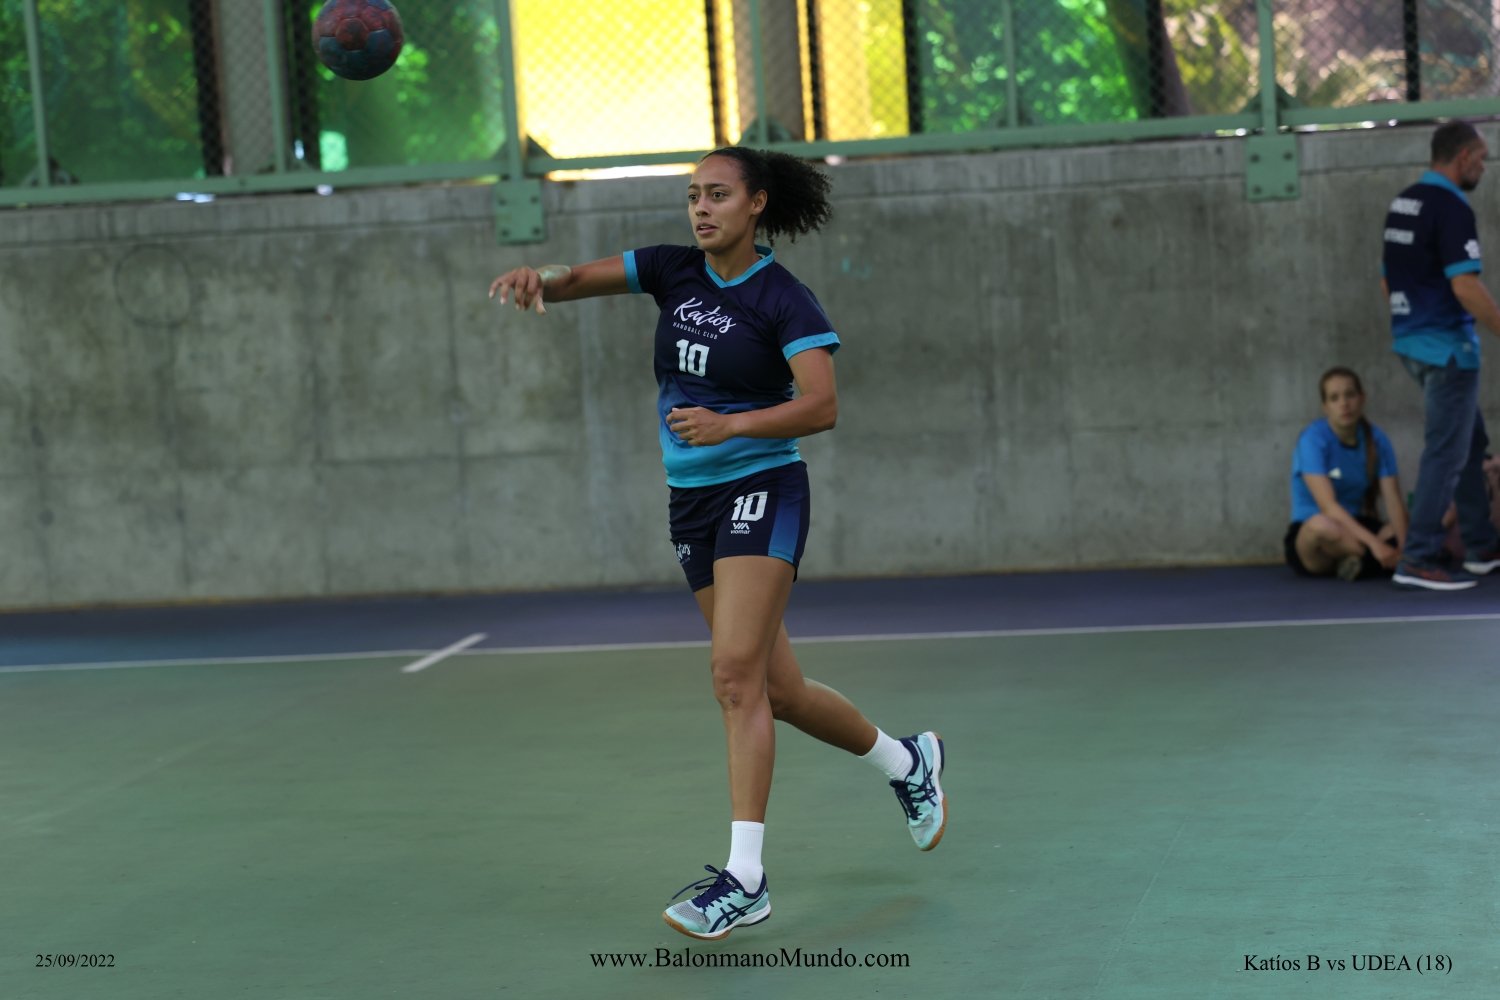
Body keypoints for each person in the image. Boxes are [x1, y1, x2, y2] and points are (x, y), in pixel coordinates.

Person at [488, 147, 947, 940]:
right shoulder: (673, 270)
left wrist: (732, 425)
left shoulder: (783, 299)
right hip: (691, 503)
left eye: (718, 195)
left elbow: (822, 405)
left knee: (734, 677)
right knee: (777, 691)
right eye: (693, 195)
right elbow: (576, 280)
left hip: (762, 487)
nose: (701, 208)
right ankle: (908, 764)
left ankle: (746, 880)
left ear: (756, 203)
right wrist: (541, 278)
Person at [1381, 121, 1500, 590]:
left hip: (1410, 343)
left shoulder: (1404, 203)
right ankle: (1419, 556)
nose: (1484, 168)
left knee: (1468, 442)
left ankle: (1480, 544)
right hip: (1448, 351)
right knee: (1447, 452)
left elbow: (1388, 279)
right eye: (1482, 159)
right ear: (1464, 156)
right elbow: (1465, 286)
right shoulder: (1452, 208)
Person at [1285, 367, 1408, 580]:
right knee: (1321, 526)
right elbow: (1328, 507)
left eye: (1350, 395)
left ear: (1362, 398)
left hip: (1355, 525)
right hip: (1316, 536)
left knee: (1409, 524)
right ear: (1325, 407)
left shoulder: (1378, 440)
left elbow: (1393, 500)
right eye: (1334, 398)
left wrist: (1406, 549)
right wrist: (1376, 544)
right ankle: (1377, 561)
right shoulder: (1312, 440)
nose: (1344, 404)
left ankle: (1361, 562)